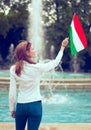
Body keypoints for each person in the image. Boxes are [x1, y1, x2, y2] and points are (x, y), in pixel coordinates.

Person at [9, 37, 69, 130]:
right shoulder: (38, 67)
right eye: (32, 49)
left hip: (21, 106)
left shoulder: (13, 69)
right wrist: (62, 47)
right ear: (27, 53)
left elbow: (12, 93)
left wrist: (12, 109)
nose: (34, 50)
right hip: (35, 106)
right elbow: (55, 63)